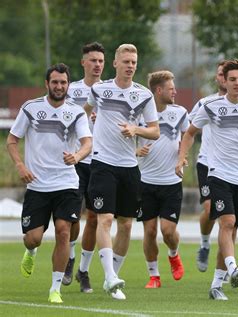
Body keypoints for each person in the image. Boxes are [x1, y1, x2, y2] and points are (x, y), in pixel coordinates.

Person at [176, 59, 238, 301]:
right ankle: (233, 268)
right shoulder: (210, 105)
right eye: (233, 79)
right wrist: (181, 158)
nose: (237, 83)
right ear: (224, 81)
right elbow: (190, 133)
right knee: (226, 223)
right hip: (219, 174)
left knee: (231, 229)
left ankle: (217, 284)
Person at [7, 63, 92, 303]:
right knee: (33, 237)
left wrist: (77, 156)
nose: (59, 86)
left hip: (67, 183)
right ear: (47, 84)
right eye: (55, 82)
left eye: (63, 82)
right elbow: (12, 140)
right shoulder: (31, 108)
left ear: (68, 85)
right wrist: (20, 166)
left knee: (63, 232)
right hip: (37, 185)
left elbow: (87, 143)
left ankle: (55, 288)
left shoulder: (76, 112)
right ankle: (31, 251)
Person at [83, 44, 160, 300]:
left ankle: (112, 276)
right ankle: (109, 276)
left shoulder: (144, 95)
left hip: (129, 167)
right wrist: (88, 130)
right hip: (103, 163)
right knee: (104, 219)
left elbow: (154, 131)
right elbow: (85, 111)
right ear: (115, 64)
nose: (130, 66)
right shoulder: (100, 89)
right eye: (125, 61)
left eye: (134, 62)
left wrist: (135, 130)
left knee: (126, 225)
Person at [137, 70, 187, 288]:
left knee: (167, 231)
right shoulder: (140, 114)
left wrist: (182, 157)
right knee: (149, 231)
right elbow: (122, 137)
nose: (175, 91)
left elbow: (189, 136)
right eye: (171, 88)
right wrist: (134, 153)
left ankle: (174, 254)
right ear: (159, 90)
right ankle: (154, 276)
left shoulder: (180, 112)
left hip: (171, 182)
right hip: (145, 182)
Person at [63, 41, 105, 293]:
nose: (97, 65)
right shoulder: (71, 90)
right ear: (83, 63)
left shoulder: (110, 90)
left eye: (100, 60)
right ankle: (69, 256)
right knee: (71, 217)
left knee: (95, 218)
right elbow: (62, 117)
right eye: (93, 60)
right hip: (75, 160)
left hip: (100, 161)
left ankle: (83, 271)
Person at [190, 61, 227, 273]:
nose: (224, 78)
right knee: (210, 208)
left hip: (231, 167)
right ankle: (204, 244)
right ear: (217, 77)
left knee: (229, 217)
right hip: (207, 163)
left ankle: (226, 262)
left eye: (228, 75)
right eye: (221, 74)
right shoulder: (206, 103)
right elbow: (188, 126)